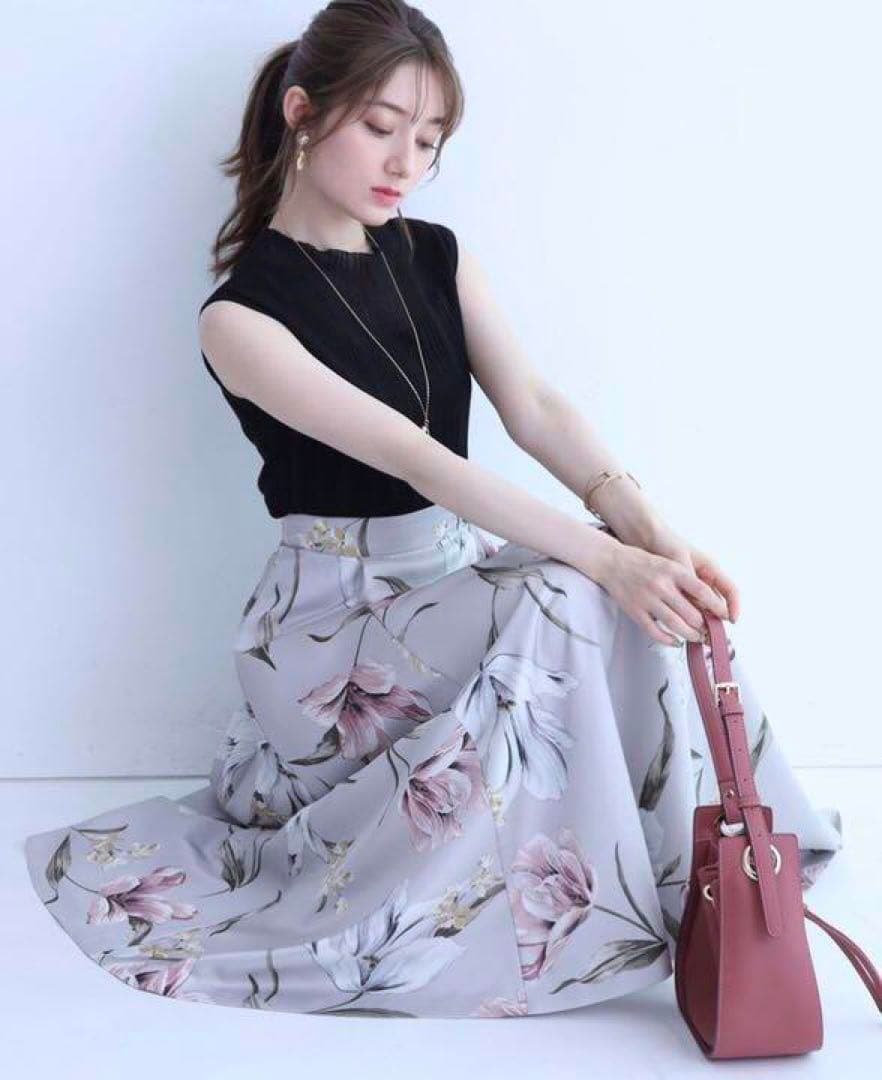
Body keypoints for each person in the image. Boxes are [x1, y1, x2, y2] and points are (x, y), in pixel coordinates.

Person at [24, 0, 842, 1019]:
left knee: (613, 581)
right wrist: (606, 559)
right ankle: (593, 922)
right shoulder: (239, 318)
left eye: (428, 139)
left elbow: (534, 407)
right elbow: (417, 459)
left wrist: (655, 538)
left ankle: (697, 861)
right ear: (302, 112)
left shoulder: (436, 257)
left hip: (447, 586)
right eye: (381, 127)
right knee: (570, 585)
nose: (404, 162)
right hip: (328, 641)